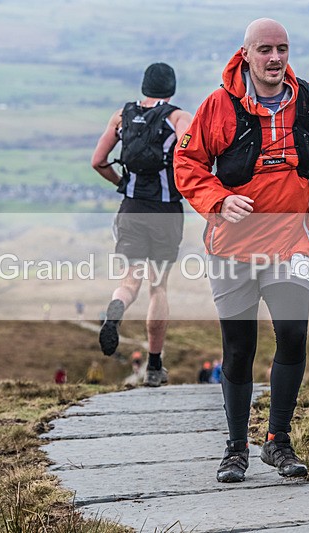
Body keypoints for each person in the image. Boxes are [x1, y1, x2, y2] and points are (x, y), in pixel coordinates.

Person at [174, 19, 309, 483]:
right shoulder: (218, 106)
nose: (274, 58)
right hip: (232, 249)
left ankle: (278, 441)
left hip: (291, 242)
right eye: (264, 50)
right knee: (239, 349)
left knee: (293, 336)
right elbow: (187, 162)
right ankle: (236, 448)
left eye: (282, 48)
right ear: (246, 54)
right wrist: (218, 200)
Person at [90, 62, 193, 387]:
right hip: (165, 212)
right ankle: (154, 366)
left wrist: (121, 182)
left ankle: (117, 307)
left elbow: (98, 161)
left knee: (130, 280)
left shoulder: (122, 116)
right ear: (171, 89)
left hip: (131, 209)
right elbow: (191, 154)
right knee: (157, 286)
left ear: (144, 87)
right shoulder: (179, 118)